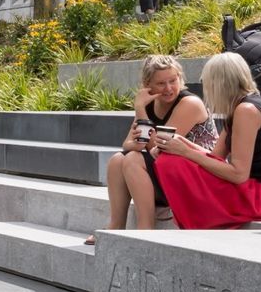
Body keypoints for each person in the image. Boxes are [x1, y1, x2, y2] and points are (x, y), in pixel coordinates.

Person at [152, 51, 261, 229]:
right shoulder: (238, 107)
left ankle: (194, 224)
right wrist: (178, 143)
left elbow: (238, 174)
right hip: (255, 190)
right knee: (171, 158)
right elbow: (215, 156)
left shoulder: (247, 110)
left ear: (220, 83)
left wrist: (185, 152)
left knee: (171, 163)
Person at [86, 54, 215, 243]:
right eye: (161, 83)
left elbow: (159, 145)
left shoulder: (190, 103)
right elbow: (128, 143)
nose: (169, 88)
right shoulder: (152, 105)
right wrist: (138, 142)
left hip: (198, 177)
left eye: (173, 80)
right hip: (171, 170)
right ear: (148, 85)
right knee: (117, 160)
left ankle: (146, 228)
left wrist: (139, 107)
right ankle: (116, 225)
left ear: (180, 78)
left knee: (133, 159)